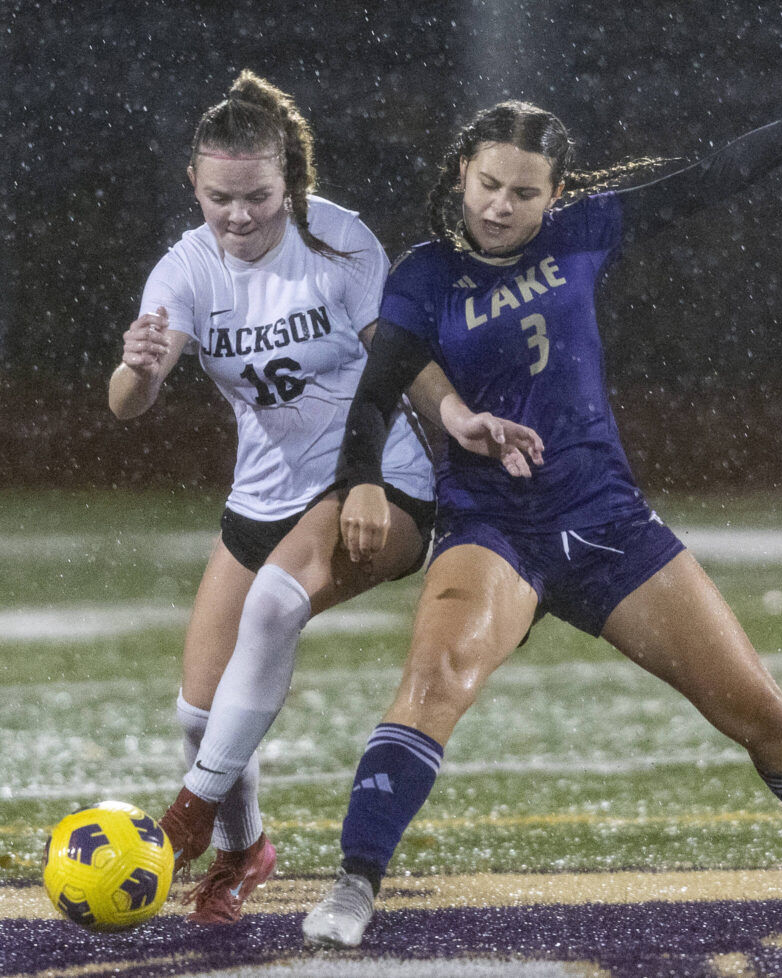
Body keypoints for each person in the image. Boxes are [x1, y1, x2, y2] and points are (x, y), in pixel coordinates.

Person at [300, 58, 782, 948]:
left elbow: (709, 179)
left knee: (765, 715)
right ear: (461, 174)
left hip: (609, 520)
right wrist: (360, 476)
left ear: (555, 195)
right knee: (433, 683)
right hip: (493, 524)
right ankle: (355, 887)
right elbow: (373, 394)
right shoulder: (428, 274)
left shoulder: (588, 230)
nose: (500, 206)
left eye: (523, 191)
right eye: (487, 184)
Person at [109, 70, 542, 926]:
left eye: (259, 198)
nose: (239, 217)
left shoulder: (339, 241)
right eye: (220, 199)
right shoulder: (185, 267)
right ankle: (244, 851)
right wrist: (139, 366)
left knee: (274, 604)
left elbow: (397, 361)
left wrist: (445, 422)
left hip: (377, 477)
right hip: (263, 493)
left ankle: (184, 819)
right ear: (194, 187)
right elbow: (129, 403)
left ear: (290, 185)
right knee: (199, 712)